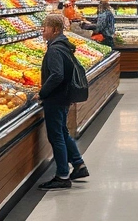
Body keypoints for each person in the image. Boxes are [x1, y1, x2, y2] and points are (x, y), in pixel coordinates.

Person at [37, 13, 89, 191]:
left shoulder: (54, 49)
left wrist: (42, 93)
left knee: (56, 136)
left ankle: (62, 175)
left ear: (55, 29)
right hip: (64, 96)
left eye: (46, 26)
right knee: (62, 131)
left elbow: (57, 74)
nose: (43, 29)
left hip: (56, 98)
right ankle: (78, 164)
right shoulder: (63, 45)